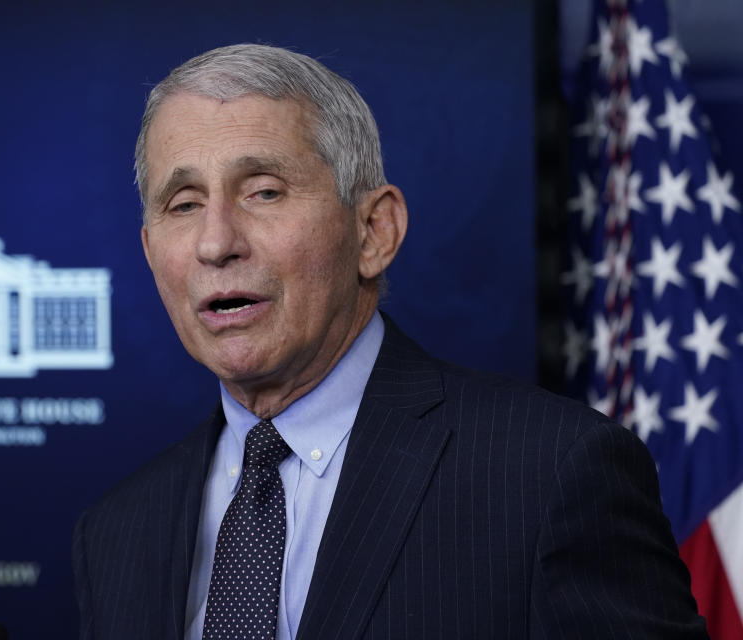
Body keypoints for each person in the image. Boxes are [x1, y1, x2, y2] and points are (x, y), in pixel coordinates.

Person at [72, 44, 708, 639]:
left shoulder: (552, 474)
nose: (216, 243)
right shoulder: (115, 534)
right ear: (152, 255)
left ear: (374, 231)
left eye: (264, 192)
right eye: (183, 205)